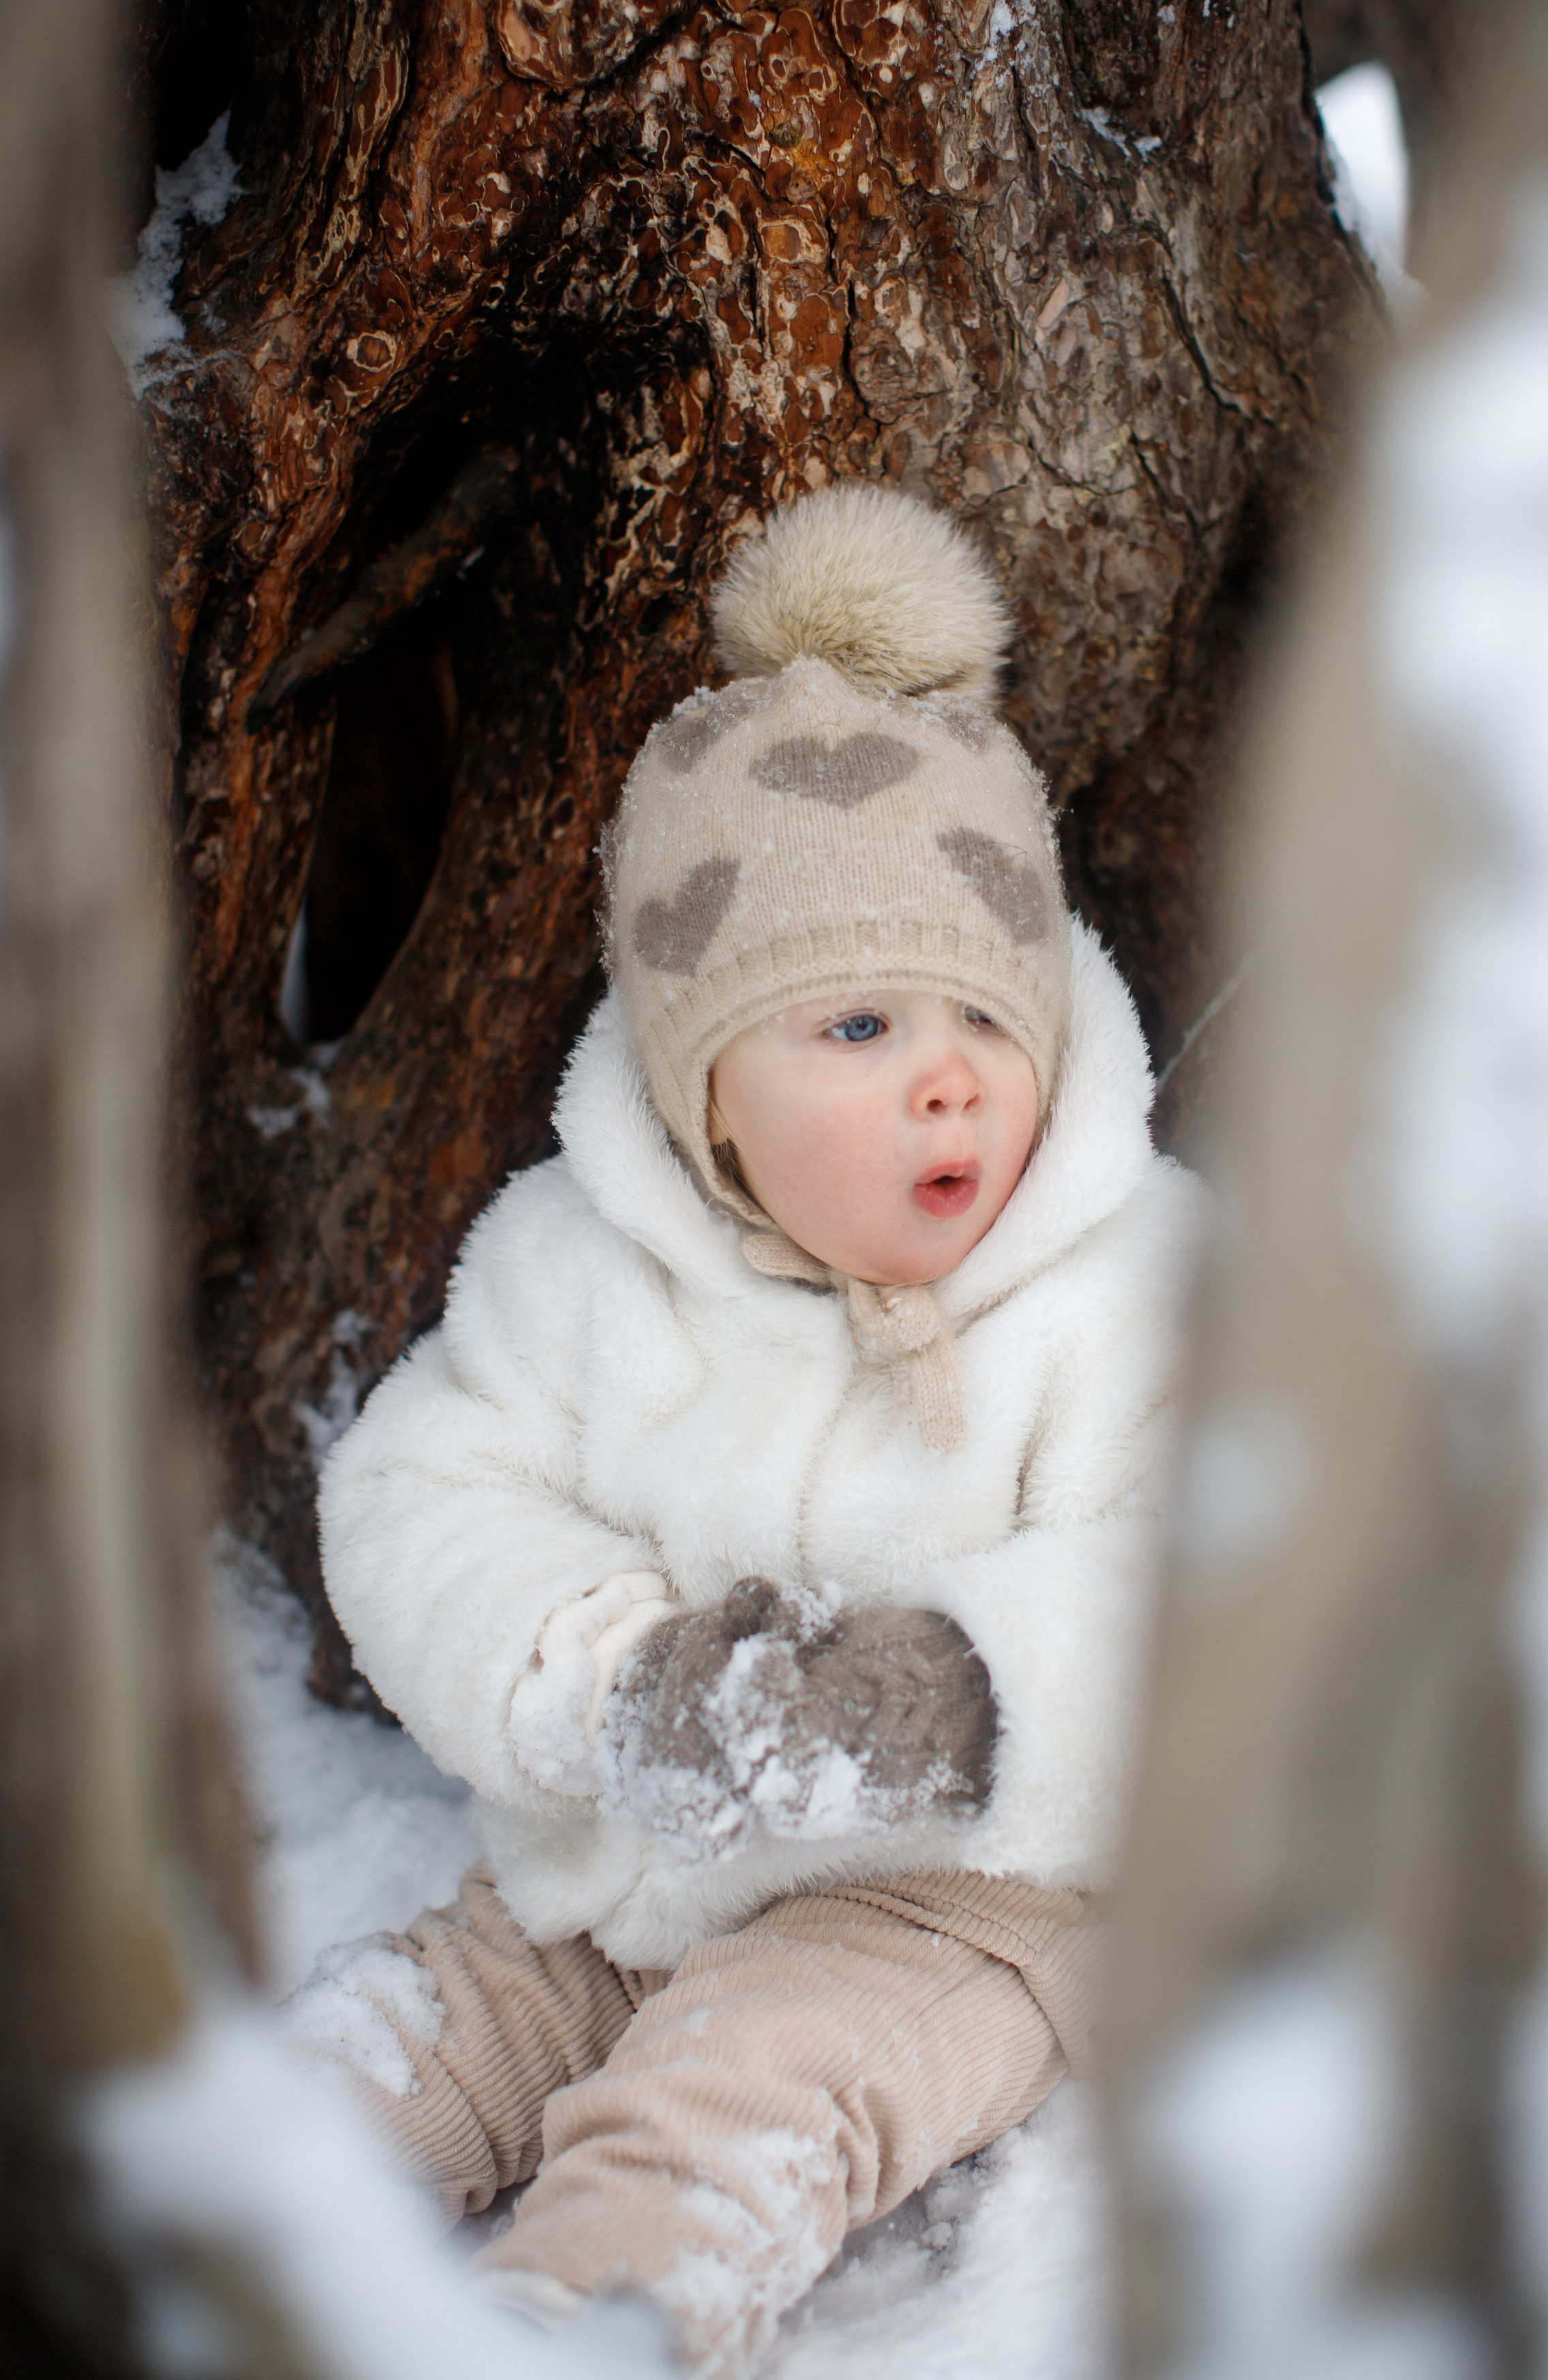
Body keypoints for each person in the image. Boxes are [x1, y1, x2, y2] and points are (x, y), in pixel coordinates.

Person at [297, 484, 1202, 2375]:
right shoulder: (581, 1264)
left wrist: (946, 1688)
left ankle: (579, 2324)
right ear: (704, 1092)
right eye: (856, 1026)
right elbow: (419, 1489)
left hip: (960, 1903)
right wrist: (606, 1685)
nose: (948, 1068)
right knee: (421, 2028)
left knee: (729, 2105)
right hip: (622, 1848)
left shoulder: (1136, 1285)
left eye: (980, 1007)